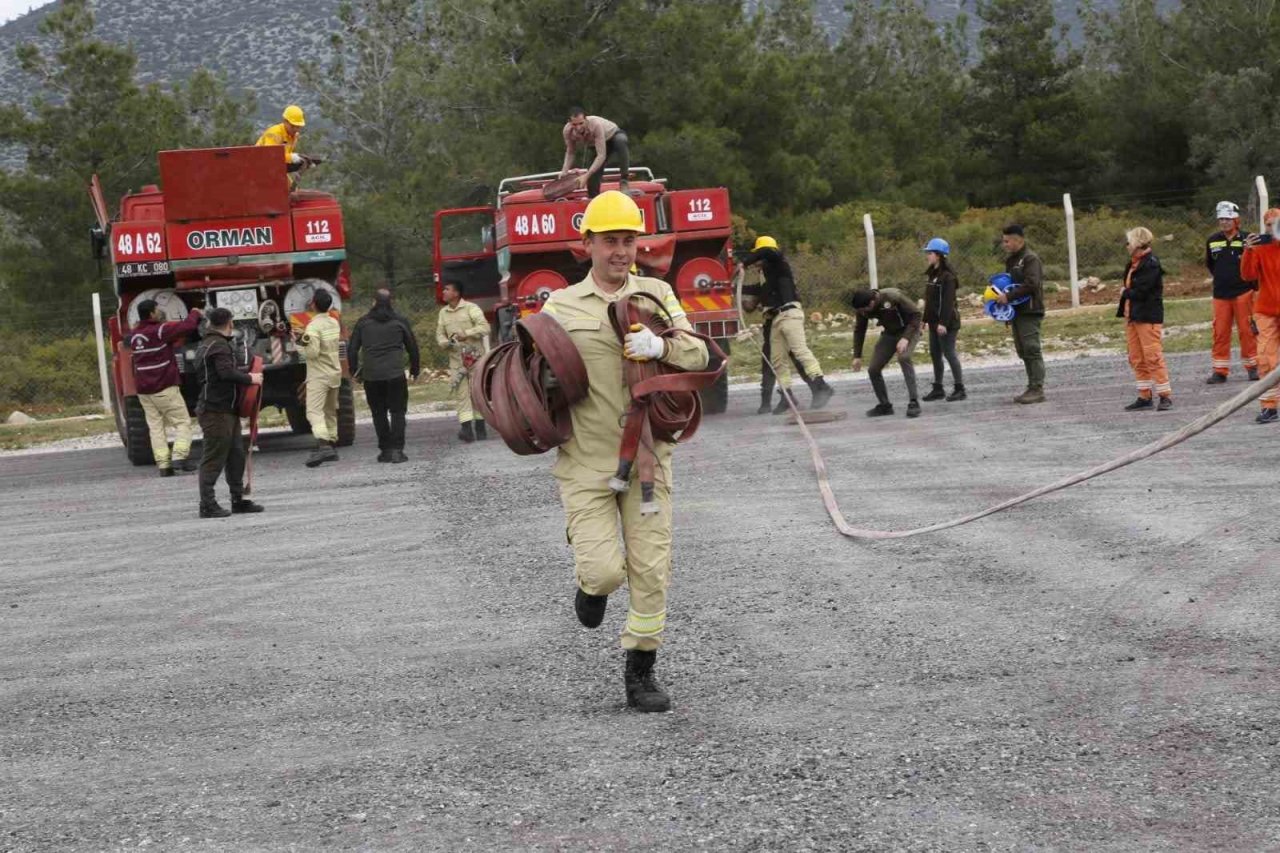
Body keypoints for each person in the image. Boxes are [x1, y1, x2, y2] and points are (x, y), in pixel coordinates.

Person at [541, 190, 708, 712]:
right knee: (606, 571)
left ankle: (641, 673)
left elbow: (699, 351)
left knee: (652, 569)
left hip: (647, 460)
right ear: (586, 244)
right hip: (586, 459)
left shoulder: (657, 293)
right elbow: (531, 375)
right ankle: (590, 587)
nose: (621, 251)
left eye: (629, 240)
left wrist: (664, 347)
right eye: (610, 241)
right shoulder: (560, 306)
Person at [737, 236, 834, 412]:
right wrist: (735, 287)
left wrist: (745, 262)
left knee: (799, 350)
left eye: (758, 256)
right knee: (777, 360)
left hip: (789, 313)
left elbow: (767, 251)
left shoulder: (778, 262)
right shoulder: (766, 274)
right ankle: (786, 395)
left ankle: (822, 385)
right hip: (774, 319)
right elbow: (759, 290)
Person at [195, 307, 264, 518]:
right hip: (215, 410)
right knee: (214, 457)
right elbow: (225, 373)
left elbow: (220, 373)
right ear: (230, 323)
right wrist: (251, 379)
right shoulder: (219, 345)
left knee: (236, 455)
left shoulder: (209, 343)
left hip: (226, 409)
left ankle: (238, 499)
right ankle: (207, 504)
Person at [128, 299, 203, 476]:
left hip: (144, 391)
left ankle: (164, 466)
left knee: (156, 428)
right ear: (152, 314)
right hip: (163, 387)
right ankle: (179, 457)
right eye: (157, 309)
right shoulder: (160, 330)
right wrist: (195, 312)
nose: (160, 312)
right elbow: (187, 327)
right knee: (182, 423)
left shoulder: (134, 335)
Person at [349, 289, 420, 463]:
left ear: (373, 302)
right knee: (397, 412)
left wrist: (354, 371)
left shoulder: (363, 323)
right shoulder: (400, 322)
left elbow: (352, 349)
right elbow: (412, 347)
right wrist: (414, 369)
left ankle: (385, 450)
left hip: (372, 377)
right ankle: (397, 450)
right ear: (391, 302)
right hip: (395, 375)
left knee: (378, 413)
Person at [1117, 227, 1172, 411]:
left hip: (1147, 317)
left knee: (1153, 357)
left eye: (1129, 242)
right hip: (1133, 316)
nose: (1126, 246)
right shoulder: (1133, 264)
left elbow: (1143, 291)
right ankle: (1144, 395)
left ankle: (1165, 396)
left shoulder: (1151, 264)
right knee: (1136, 357)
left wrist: (1126, 292)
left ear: (1138, 244)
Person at [1205, 201, 1259, 383]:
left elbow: (1255, 265)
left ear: (1236, 220)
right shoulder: (1212, 240)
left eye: (1228, 219)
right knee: (1220, 332)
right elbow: (1210, 264)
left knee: (1247, 331)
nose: (1224, 222)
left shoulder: (1248, 239)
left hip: (1244, 292)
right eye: (1221, 219)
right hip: (1220, 294)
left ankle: (1253, 367)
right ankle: (1220, 371)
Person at [851, 288, 923, 418]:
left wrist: (905, 338)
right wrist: (857, 356)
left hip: (910, 329)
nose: (862, 313)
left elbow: (916, 314)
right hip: (890, 333)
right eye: (860, 311)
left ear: (872, 302)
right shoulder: (862, 309)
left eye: (864, 310)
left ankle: (914, 402)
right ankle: (885, 405)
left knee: (903, 357)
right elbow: (859, 330)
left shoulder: (892, 297)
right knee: (873, 369)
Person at [994, 224, 1046, 403]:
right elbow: (1009, 283)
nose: (1005, 244)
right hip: (1017, 312)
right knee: (1023, 350)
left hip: (1030, 311)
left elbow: (1031, 284)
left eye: (1008, 241)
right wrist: (1008, 311)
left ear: (1019, 240)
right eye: (1004, 241)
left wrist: (1008, 297)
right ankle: (1031, 386)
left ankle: (1037, 389)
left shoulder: (1030, 259)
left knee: (1032, 348)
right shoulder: (1011, 261)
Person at [435, 281, 490, 442]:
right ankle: (467, 430)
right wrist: (446, 343)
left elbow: (485, 327)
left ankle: (481, 429)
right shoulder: (443, 313)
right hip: (456, 362)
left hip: (475, 359)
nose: (443, 292)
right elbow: (440, 335)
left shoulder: (471, 308)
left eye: (447, 289)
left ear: (456, 293)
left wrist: (467, 333)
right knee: (461, 394)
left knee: (477, 392)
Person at [1241, 208, 1280, 423]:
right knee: (1266, 358)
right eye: (1268, 224)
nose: (1272, 228)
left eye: (1276, 224)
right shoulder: (1259, 248)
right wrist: (1248, 250)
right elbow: (1247, 275)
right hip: (1265, 310)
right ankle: (1270, 407)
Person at [297, 290, 343, 467]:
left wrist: (300, 344)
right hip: (334, 373)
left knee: (314, 412)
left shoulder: (312, 327)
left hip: (319, 376)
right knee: (330, 411)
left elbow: (312, 353)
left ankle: (323, 446)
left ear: (313, 304)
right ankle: (331, 445)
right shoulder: (333, 322)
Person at [919, 238, 966, 402]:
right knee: (935, 354)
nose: (927, 256)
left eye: (930, 253)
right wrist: (924, 320)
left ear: (939, 255)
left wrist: (943, 324)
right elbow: (929, 301)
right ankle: (938, 388)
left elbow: (948, 302)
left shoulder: (948, 277)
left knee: (949, 353)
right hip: (933, 323)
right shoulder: (932, 275)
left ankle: (960, 388)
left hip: (947, 323)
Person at [559, 108, 630, 198]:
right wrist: (564, 171)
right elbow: (570, 152)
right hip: (596, 145)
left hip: (612, 136)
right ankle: (595, 201)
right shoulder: (567, 131)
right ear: (569, 122)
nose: (578, 128)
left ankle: (624, 180)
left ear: (586, 119)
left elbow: (601, 155)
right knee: (592, 183)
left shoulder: (595, 124)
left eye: (581, 123)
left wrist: (586, 176)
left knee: (621, 141)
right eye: (574, 124)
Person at [255, 105, 312, 172]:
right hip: (258, 168)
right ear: (285, 121)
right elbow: (270, 156)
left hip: (273, 169)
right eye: (292, 126)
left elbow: (282, 160)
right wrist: (292, 158)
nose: (295, 129)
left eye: (298, 126)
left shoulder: (294, 136)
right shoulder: (275, 133)